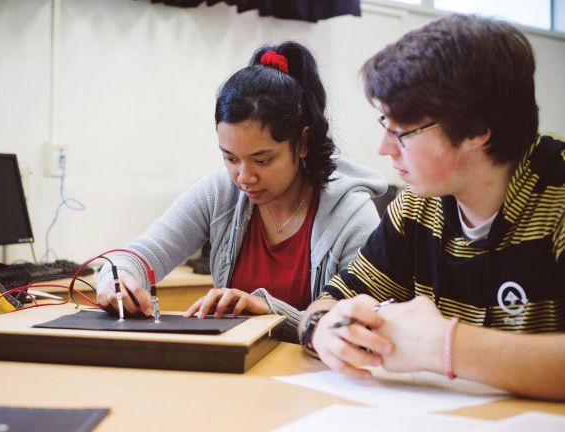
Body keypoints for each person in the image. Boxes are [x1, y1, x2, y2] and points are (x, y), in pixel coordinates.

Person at [299, 14, 565, 400]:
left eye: (402, 130)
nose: (384, 147)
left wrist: (443, 346)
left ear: (477, 130)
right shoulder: (417, 206)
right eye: (384, 123)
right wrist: (323, 329)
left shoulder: (556, 194)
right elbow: (329, 301)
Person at [97, 41, 386, 342]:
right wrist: (116, 281)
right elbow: (138, 257)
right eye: (230, 158)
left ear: (302, 143)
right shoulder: (220, 192)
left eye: (262, 160)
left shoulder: (351, 214)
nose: (244, 177)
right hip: (238, 375)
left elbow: (357, 329)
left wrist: (272, 312)